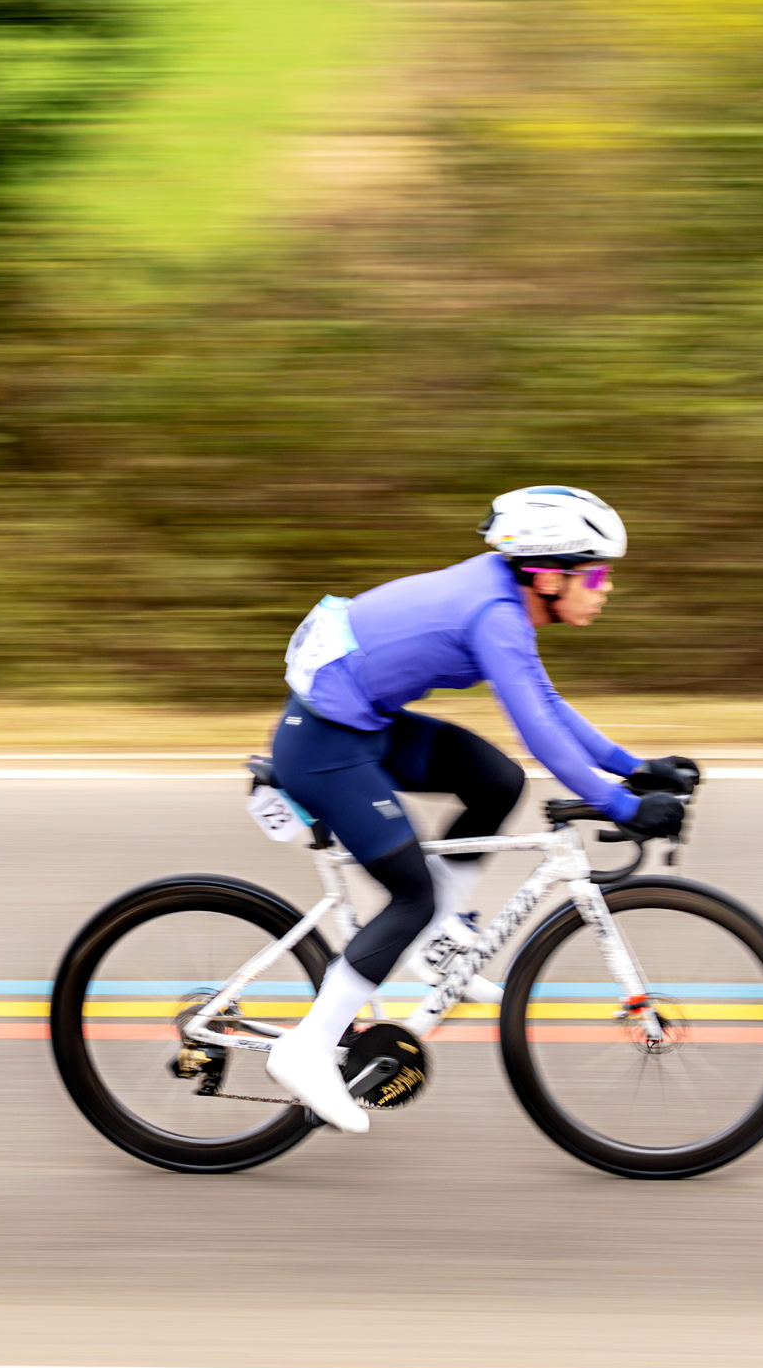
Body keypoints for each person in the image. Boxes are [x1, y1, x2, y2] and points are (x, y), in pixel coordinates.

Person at [265, 485, 695, 1133]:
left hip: (360, 722)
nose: (605, 587)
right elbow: (538, 731)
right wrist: (621, 805)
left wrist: (631, 767)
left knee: (495, 781)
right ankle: (307, 1048)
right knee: (409, 894)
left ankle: (439, 941)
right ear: (548, 575)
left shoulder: (504, 597)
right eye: (595, 573)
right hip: (324, 744)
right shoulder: (493, 612)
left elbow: (544, 700)